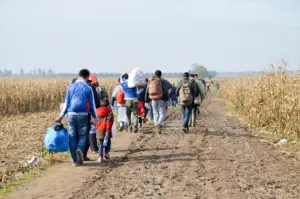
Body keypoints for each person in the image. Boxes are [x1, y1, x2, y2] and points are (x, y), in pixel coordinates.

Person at [55, 69, 98, 167]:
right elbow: (92, 105)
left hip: (71, 115)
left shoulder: (71, 87)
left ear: (78, 75)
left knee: (72, 136)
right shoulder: (88, 88)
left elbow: (66, 103)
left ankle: (75, 161)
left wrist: (61, 116)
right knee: (83, 135)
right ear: (88, 77)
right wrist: (96, 118)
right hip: (83, 115)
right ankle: (79, 148)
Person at [95, 85, 114, 163]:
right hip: (106, 130)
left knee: (100, 143)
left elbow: (94, 121)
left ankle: (100, 157)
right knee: (107, 142)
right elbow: (110, 121)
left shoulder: (96, 111)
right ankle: (106, 153)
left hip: (99, 130)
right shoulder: (109, 111)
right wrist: (108, 129)